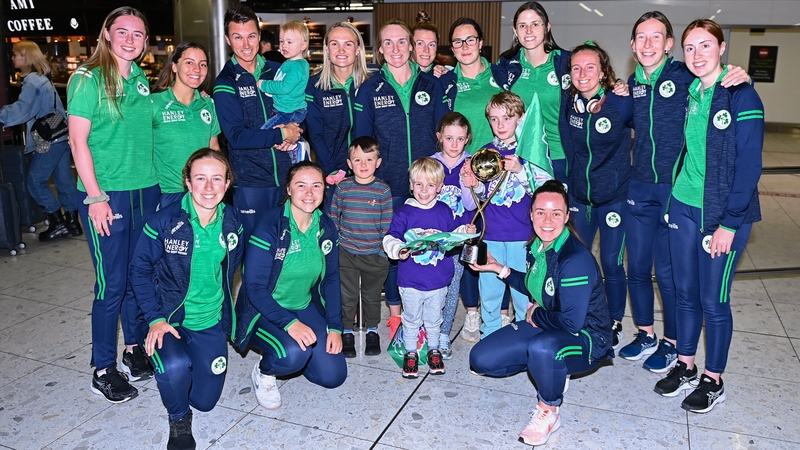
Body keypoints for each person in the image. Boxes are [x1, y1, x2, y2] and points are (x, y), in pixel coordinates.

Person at [619, 11, 751, 373]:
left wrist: (740, 74)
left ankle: (674, 343)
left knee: (669, 274)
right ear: (632, 45)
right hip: (641, 184)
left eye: (656, 37)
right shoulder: (633, 82)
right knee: (637, 267)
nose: (648, 44)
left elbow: (719, 82)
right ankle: (646, 333)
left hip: (674, 189)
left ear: (669, 44)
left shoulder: (685, 75)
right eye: (641, 38)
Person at [653, 19, 763, 414]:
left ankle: (713, 379)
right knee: (684, 293)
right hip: (683, 205)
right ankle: (685, 365)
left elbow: (750, 166)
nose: (697, 55)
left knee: (712, 299)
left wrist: (730, 223)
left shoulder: (741, 95)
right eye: (690, 47)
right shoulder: (692, 91)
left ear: (721, 48)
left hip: (722, 213)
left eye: (705, 46)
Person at [469, 180, 614, 446]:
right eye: (540, 212)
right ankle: (550, 368)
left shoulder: (575, 259)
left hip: (586, 337)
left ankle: (549, 409)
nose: (547, 220)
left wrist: (535, 315)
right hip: (550, 323)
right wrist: (499, 268)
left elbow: (571, 322)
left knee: (544, 349)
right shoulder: (537, 246)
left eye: (556, 213)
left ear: (567, 216)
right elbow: (533, 284)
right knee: (481, 358)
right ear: (531, 213)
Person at [68, 6, 159, 403]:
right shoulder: (87, 78)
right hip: (109, 194)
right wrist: (96, 197)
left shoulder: (139, 78)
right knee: (111, 284)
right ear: (106, 34)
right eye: (122, 32)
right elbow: (77, 141)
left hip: (146, 191)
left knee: (139, 276)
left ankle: (133, 349)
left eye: (138, 34)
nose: (130, 40)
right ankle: (102, 368)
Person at [129, 149, 243, 450]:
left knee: (205, 402)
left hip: (209, 321)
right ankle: (178, 418)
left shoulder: (234, 222)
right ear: (188, 183)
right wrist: (154, 318)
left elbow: (232, 271)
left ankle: (186, 363)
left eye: (216, 179)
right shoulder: (164, 222)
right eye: (200, 179)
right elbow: (138, 271)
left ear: (228, 183)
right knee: (175, 367)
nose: (208, 187)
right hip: (168, 319)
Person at [353, 19, 447, 337]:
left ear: (411, 44)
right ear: (379, 49)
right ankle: (397, 315)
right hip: (388, 185)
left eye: (402, 41)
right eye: (388, 43)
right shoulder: (369, 89)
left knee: (427, 248)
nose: (396, 48)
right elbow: (363, 140)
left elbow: (442, 136)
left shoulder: (431, 86)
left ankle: (426, 315)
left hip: (427, 185)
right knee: (393, 252)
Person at [234, 161, 346, 410]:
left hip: (303, 305)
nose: (309, 193)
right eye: (301, 185)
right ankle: (265, 371)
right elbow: (254, 289)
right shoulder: (269, 227)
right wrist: (290, 324)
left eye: (316, 186)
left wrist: (336, 327)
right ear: (288, 189)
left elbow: (331, 279)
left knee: (333, 376)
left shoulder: (326, 227)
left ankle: (298, 355)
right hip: (263, 310)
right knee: (293, 352)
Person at [563, 42, 632, 349]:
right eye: (576, 68)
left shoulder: (620, 103)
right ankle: (582, 314)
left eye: (590, 67)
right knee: (578, 262)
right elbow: (568, 148)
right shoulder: (570, 105)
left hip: (614, 198)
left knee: (611, 262)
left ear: (603, 72)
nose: (583, 73)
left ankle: (614, 320)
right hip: (579, 198)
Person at [213, 4, 302, 238]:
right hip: (251, 185)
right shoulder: (226, 82)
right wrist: (281, 134)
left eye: (251, 36)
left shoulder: (278, 71)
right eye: (238, 37)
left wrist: (296, 130)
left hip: (288, 179)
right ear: (227, 39)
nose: (246, 44)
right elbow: (236, 137)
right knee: (255, 257)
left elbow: (301, 105)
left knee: (288, 253)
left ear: (259, 36)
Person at [383, 157, 476, 378]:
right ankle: (411, 352)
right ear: (411, 184)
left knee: (435, 319)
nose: (424, 190)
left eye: (431, 185)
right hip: (411, 279)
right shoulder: (404, 213)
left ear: (440, 187)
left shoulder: (444, 210)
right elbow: (390, 237)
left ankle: (434, 350)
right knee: (412, 318)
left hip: (438, 278)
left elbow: (453, 232)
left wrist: (465, 230)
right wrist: (398, 249)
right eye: (419, 184)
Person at [471, 92, 550, 337]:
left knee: (522, 288)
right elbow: (482, 197)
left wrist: (519, 171)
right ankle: (489, 334)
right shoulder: (484, 153)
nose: (500, 125)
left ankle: (525, 334)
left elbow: (545, 193)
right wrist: (473, 185)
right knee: (490, 289)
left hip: (522, 234)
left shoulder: (530, 151)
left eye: (507, 118)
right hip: (491, 233)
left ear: (520, 118)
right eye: (494, 119)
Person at [0, 41, 80, 241]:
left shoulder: (32, 82)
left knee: (35, 181)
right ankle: (72, 222)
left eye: (16, 54)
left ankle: (57, 222)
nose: (12, 58)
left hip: (48, 139)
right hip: (61, 135)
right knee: (64, 180)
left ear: (25, 57)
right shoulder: (43, 79)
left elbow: (22, 110)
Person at [329, 136, 393, 358]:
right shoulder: (344, 188)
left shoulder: (382, 191)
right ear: (349, 164)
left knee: (372, 295)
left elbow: (387, 223)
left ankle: (372, 330)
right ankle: (347, 331)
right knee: (346, 295)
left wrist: (382, 250)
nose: (363, 165)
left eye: (369, 159)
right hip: (346, 252)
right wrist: (336, 243)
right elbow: (333, 216)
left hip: (374, 254)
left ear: (378, 162)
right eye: (357, 160)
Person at [497, 2, 571, 183]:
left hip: (560, 157)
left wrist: (616, 84)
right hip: (520, 156)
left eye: (535, 24)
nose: (528, 30)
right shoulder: (506, 65)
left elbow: (594, 82)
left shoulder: (566, 62)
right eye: (522, 26)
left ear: (547, 27)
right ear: (515, 31)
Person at [431, 112, 478, 358]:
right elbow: (421, 198)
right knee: (431, 287)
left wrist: (466, 182)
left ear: (467, 139)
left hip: (459, 239)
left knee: (452, 287)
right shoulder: (431, 163)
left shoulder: (472, 163)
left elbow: (471, 206)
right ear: (439, 137)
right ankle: (426, 331)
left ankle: (443, 335)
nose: (454, 144)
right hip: (433, 239)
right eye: (449, 138)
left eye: (460, 139)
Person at [151, 41, 220, 209]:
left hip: (202, 194)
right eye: (189, 62)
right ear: (174, 66)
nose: (197, 69)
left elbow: (214, 149)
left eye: (202, 64)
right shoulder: (153, 103)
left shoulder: (208, 105)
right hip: (166, 194)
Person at [305, 21, 370, 189]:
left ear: (357, 49)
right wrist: (333, 172)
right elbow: (316, 136)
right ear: (327, 49)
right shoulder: (314, 86)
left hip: (368, 173)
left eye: (348, 44)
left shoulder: (371, 83)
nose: (341, 50)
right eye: (335, 44)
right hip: (331, 176)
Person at [439, 18, 513, 156]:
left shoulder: (503, 75)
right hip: (465, 169)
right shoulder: (444, 84)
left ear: (480, 43)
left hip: (506, 163)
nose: (464, 47)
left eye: (470, 40)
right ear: (452, 49)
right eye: (458, 42)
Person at [257, 21, 310, 164]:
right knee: (274, 135)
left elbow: (284, 87)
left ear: (303, 45)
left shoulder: (297, 67)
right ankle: (293, 148)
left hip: (290, 111)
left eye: (289, 42)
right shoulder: (289, 63)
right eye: (281, 41)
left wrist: (264, 85)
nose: (284, 46)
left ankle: (296, 148)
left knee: (264, 134)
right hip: (285, 109)